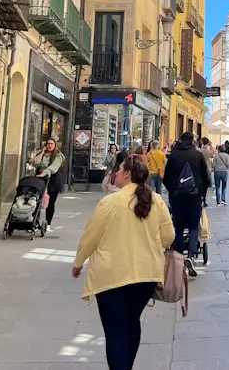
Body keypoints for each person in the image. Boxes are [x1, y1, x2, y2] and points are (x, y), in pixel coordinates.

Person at [73, 155, 174, 370]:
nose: (115, 174)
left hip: (112, 276)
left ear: (127, 174)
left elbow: (90, 236)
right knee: (131, 322)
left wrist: (79, 262)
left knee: (115, 331)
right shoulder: (157, 201)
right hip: (146, 274)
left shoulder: (110, 202)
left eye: (118, 170)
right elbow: (169, 237)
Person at [162, 131, 210, 277]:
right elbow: (206, 178)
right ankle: (191, 255)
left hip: (177, 198)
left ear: (181, 140)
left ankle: (179, 258)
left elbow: (166, 177)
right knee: (194, 227)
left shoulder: (174, 155)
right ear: (193, 141)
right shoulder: (198, 155)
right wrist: (202, 194)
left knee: (179, 227)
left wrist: (172, 191)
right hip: (194, 198)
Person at [33, 137, 65, 228]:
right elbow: (36, 162)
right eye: (48, 144)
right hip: (40, 179)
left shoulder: (59, 155)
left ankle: (48, 223)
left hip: (53, 180)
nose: (49, 145)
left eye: (51, 144)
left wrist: (44, 173)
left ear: (55, 145)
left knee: (50, 202)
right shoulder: (43, 154)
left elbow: (54, 167)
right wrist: (42, 152)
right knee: (37, 201)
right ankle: (34, 222)